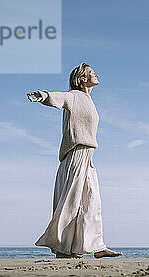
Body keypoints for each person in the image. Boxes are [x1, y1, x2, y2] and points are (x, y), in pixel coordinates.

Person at [27, 63, 122, 258]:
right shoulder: (74, 96)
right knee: (72, 204)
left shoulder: (88, 100)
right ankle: (63, 249)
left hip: (88, 156)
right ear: (81, 79)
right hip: (76, 155)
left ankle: (96, 246)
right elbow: (59, 98)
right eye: (91, 73)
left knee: (92, 202)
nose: (96, 74)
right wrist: (43, 96)